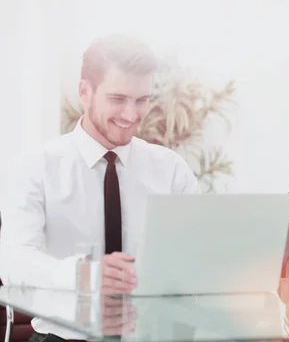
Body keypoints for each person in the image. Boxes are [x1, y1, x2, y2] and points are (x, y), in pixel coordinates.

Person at [0, 34, 199, 342]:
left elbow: (197, 253)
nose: (131, 116)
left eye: (142, 100)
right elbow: (13, 263)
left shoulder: (170, 168)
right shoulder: (35, 166)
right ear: (85, 91)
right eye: (118, 99)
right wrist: (85, 275)